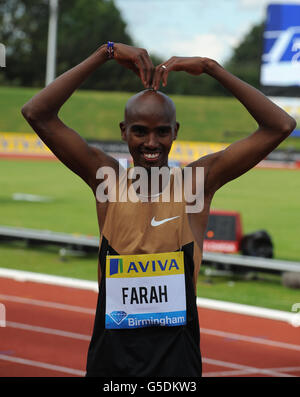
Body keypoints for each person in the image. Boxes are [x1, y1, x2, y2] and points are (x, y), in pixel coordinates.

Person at [21, 42, 296, 377]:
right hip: (112, 360)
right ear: (123, 132)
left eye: (161, 131)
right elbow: (36, 112)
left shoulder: (196, 182)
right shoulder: (105, 179)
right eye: (140, 131)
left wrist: (212, 68)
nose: (151, 143)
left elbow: (280, 126)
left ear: (175, 132)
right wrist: (103, 54)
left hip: (175, 363)